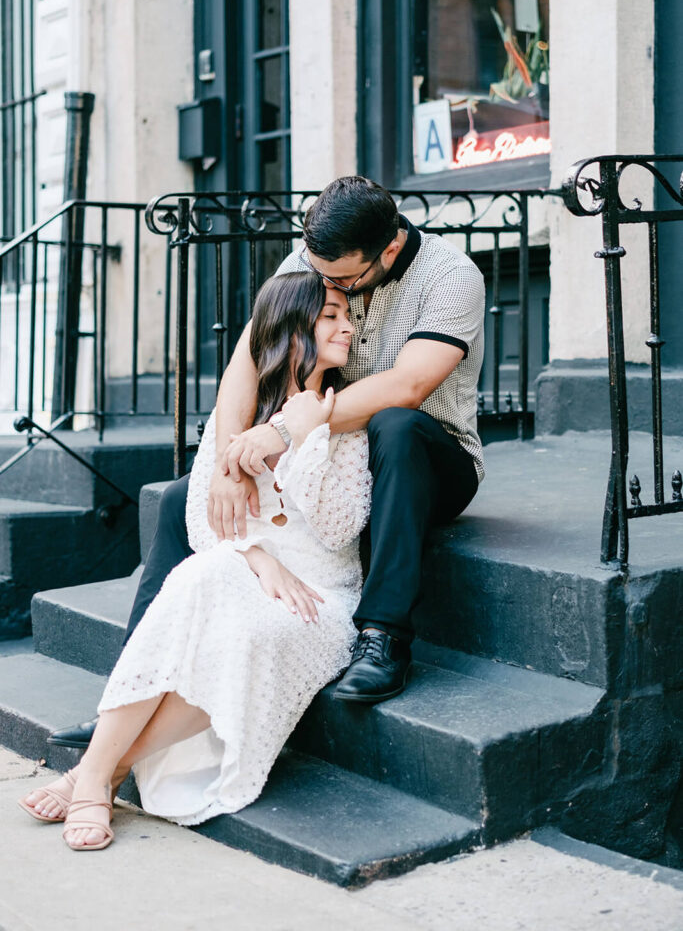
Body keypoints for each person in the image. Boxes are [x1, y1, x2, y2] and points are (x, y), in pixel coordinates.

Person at [48, 174, 485, 750]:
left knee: (395, 426)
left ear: (391, 250)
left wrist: (282, 429)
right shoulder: (312, 258)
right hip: (321, 453)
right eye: (318, 271)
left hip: (428, 457)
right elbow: (247, 364)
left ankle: (383, 636)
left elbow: (406, 386)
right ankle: (128, 693)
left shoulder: (452, 277)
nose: (329, 287)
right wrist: (230, 466)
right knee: (184, 496)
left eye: (343, 279)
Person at [19, 272, 371, 850]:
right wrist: (257, 556)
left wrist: (306, 432)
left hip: (319, 598)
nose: (348, 326)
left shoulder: (343, 416)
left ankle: (96, 774)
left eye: (347, 315)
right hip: (247, 573)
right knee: (200, 573)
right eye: (331, 315)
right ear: (292, 325)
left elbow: (339, 529)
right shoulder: (241, 411)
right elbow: (206, 520)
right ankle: (100, 776)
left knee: (238, 639)